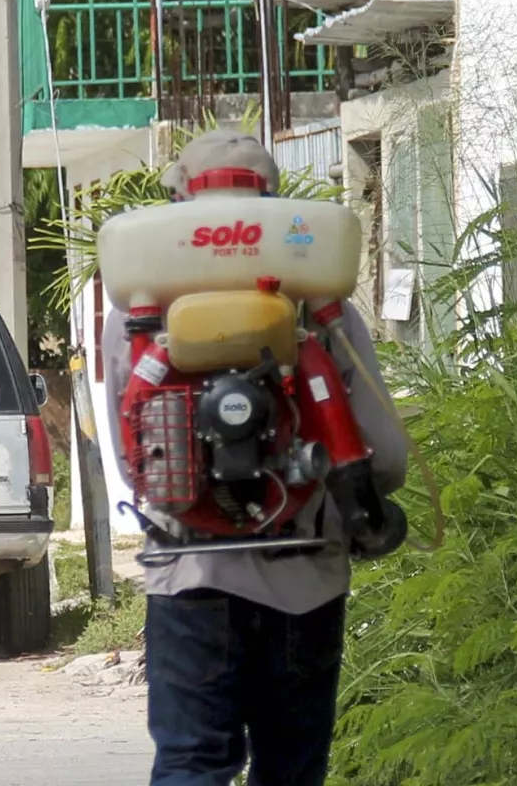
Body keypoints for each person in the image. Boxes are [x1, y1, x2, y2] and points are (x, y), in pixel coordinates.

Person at [103, 131, 409, 786]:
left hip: (190, 576)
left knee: (192, 763)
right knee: (290, 770)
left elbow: (135, 463)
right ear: (269, 204)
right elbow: (383, 451)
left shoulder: (136, 312)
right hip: (306, 579)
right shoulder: (321, 311)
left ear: (182, 200)